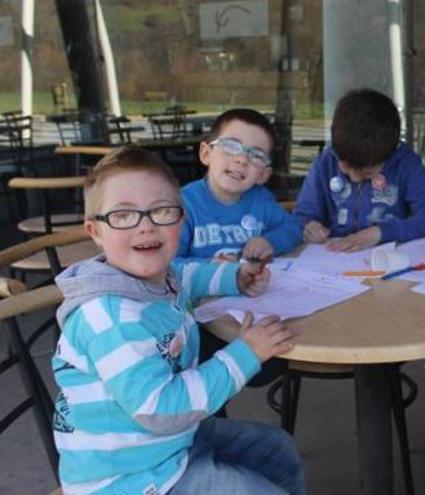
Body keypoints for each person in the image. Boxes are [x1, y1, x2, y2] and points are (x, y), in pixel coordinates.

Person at [51, 146, 306, 494]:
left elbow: (191, 275)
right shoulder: (108, 316)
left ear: (181, 219)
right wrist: (244, 354)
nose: (146, 226)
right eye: (124, 215)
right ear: (95, 231)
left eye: (162, 211)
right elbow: (159, 409)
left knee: (275, 448)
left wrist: (236, 277)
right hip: (129, 478)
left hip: (170, 444)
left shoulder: (159, 277)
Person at [294, 88, 425, 252]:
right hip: (332, 256)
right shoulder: (326, 162)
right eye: (345, 168)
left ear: (389, 154)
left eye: (368, 174)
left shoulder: (405, 164)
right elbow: (301, 215)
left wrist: (382, 232)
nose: (355, 179)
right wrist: (309, 226)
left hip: (387, 256)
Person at [176, 108, 302, 262]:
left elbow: (293, 228)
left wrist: (270, 242)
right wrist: (209, 268)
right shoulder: (183, 205)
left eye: (256, 155)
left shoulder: (262, 201)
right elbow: (167, 263)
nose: (242, 160)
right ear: (206, 154)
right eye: (230, 146)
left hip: (253, 284)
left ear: (263, 175)